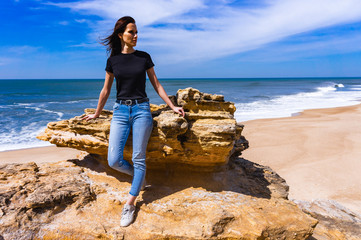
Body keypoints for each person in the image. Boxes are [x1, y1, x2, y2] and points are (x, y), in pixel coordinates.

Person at [82, 16, 185, 227]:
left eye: (137, 32)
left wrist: (172, 106)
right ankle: (140, 177)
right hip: (120, 111)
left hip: (141, 110)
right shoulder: (113, 61)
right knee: (114, 160)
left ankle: (130, 202)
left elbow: (156, 85)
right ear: (121, 35)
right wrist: (97, 113)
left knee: (139, 157)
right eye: (131, 32)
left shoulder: (144, 57)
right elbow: (106, 90)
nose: (136, 36)